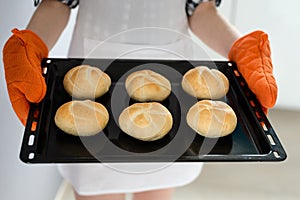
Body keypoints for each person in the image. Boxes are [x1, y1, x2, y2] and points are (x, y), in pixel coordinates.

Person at [2, 0, 278, 200]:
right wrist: (30, 44)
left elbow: (201, 8)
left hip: (173, 82)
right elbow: (56, 3)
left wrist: (239, 46)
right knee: (96, 188)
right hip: (91, 68)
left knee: (157, 189)